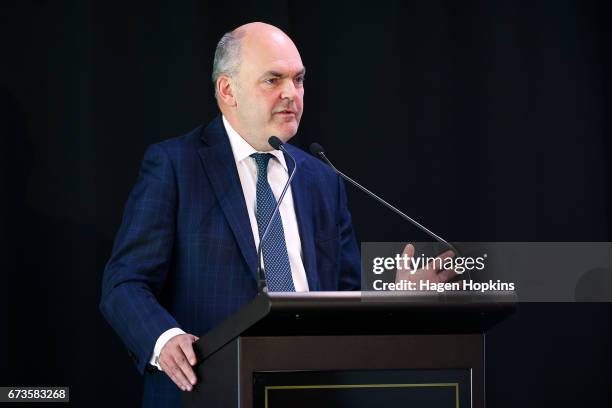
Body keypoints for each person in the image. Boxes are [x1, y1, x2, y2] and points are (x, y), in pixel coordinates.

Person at [99, 22, 361, 407]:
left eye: (299, 79)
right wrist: (165, 339)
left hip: (308, 388)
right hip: (207, 390)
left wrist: (400, 291)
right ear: (227, 90)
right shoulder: (176, 166)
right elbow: (124, 284)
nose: (291, 93)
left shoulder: (321, 178)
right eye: (273, 80)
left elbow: (346, 292)